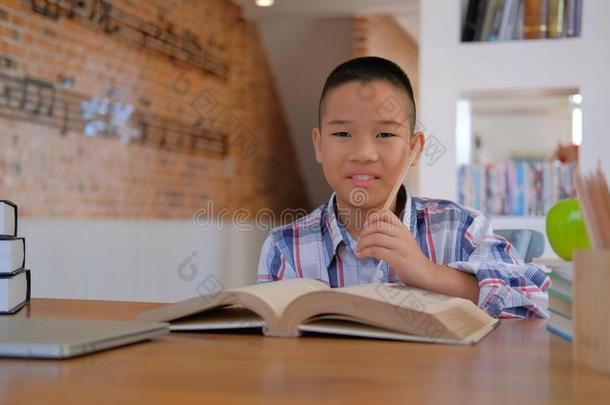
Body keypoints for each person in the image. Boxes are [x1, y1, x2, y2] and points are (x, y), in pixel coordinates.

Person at [257, 56, 550, 318]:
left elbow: (533, 300)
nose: (363, 153)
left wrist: (427, 273)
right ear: (319, 145)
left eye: (384, 134)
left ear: (414, 148)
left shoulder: (460, 228)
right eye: (342, 133)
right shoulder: (285, 248)